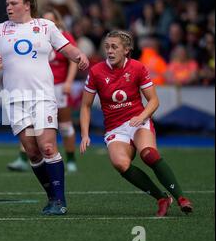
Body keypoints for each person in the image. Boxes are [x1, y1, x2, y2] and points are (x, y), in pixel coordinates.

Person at [0, 0, 89, 215]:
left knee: (47, 147)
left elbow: (67, 49)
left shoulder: (46, 27)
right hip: (15, 99)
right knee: (32, 151)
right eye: (7, 3)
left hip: (43, 97)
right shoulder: (0, 30)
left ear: (27, 5)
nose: (9, 7)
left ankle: (60, 201)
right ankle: (51, 197)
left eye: (14, 3)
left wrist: (81, 56)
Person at [79, 30, 193, 217]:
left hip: (138, 121)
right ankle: (161, 198)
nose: (109, 50)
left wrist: (142, 117)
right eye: (107, 46)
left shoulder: (138, 68)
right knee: (120, 164)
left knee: (149, 154)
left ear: (126, 50)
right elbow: (85, 106)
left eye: (114, 47)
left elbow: (154, 101)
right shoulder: (96, 72)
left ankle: (181, 198)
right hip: (115, 127)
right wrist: (84, 134)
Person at [7, 7, 79, 173]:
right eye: (44, 19)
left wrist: (69, 81)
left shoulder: (63, 36)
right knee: (29, 123)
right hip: (38, 86)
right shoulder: (34, 34)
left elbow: (73, 59)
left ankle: (71, 160)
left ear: (57, 21)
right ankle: (23, 158)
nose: (47, 22)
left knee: (65, 125)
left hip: (58, 86)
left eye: (50, 19)